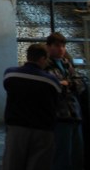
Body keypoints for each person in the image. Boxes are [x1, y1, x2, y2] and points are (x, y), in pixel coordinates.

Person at [2, 43, 61, 170]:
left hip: (17, 127)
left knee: (13, 162)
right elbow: (57, 100)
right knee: (39, 163)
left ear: (27, 56)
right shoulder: (51, 81)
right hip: (42, 129)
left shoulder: (10, 74)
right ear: (43, 59)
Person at [45, 32, 86, 169]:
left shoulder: (67, 64)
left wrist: (67, 84)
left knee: (77, 153)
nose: (61, 49)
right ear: (49, 47)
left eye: (63, 46)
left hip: (74, 112)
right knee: (62, 154)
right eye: (57, 46)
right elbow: (55, 87)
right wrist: (69, 84)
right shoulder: (46, 66)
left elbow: (80, 85)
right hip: (59, 114)